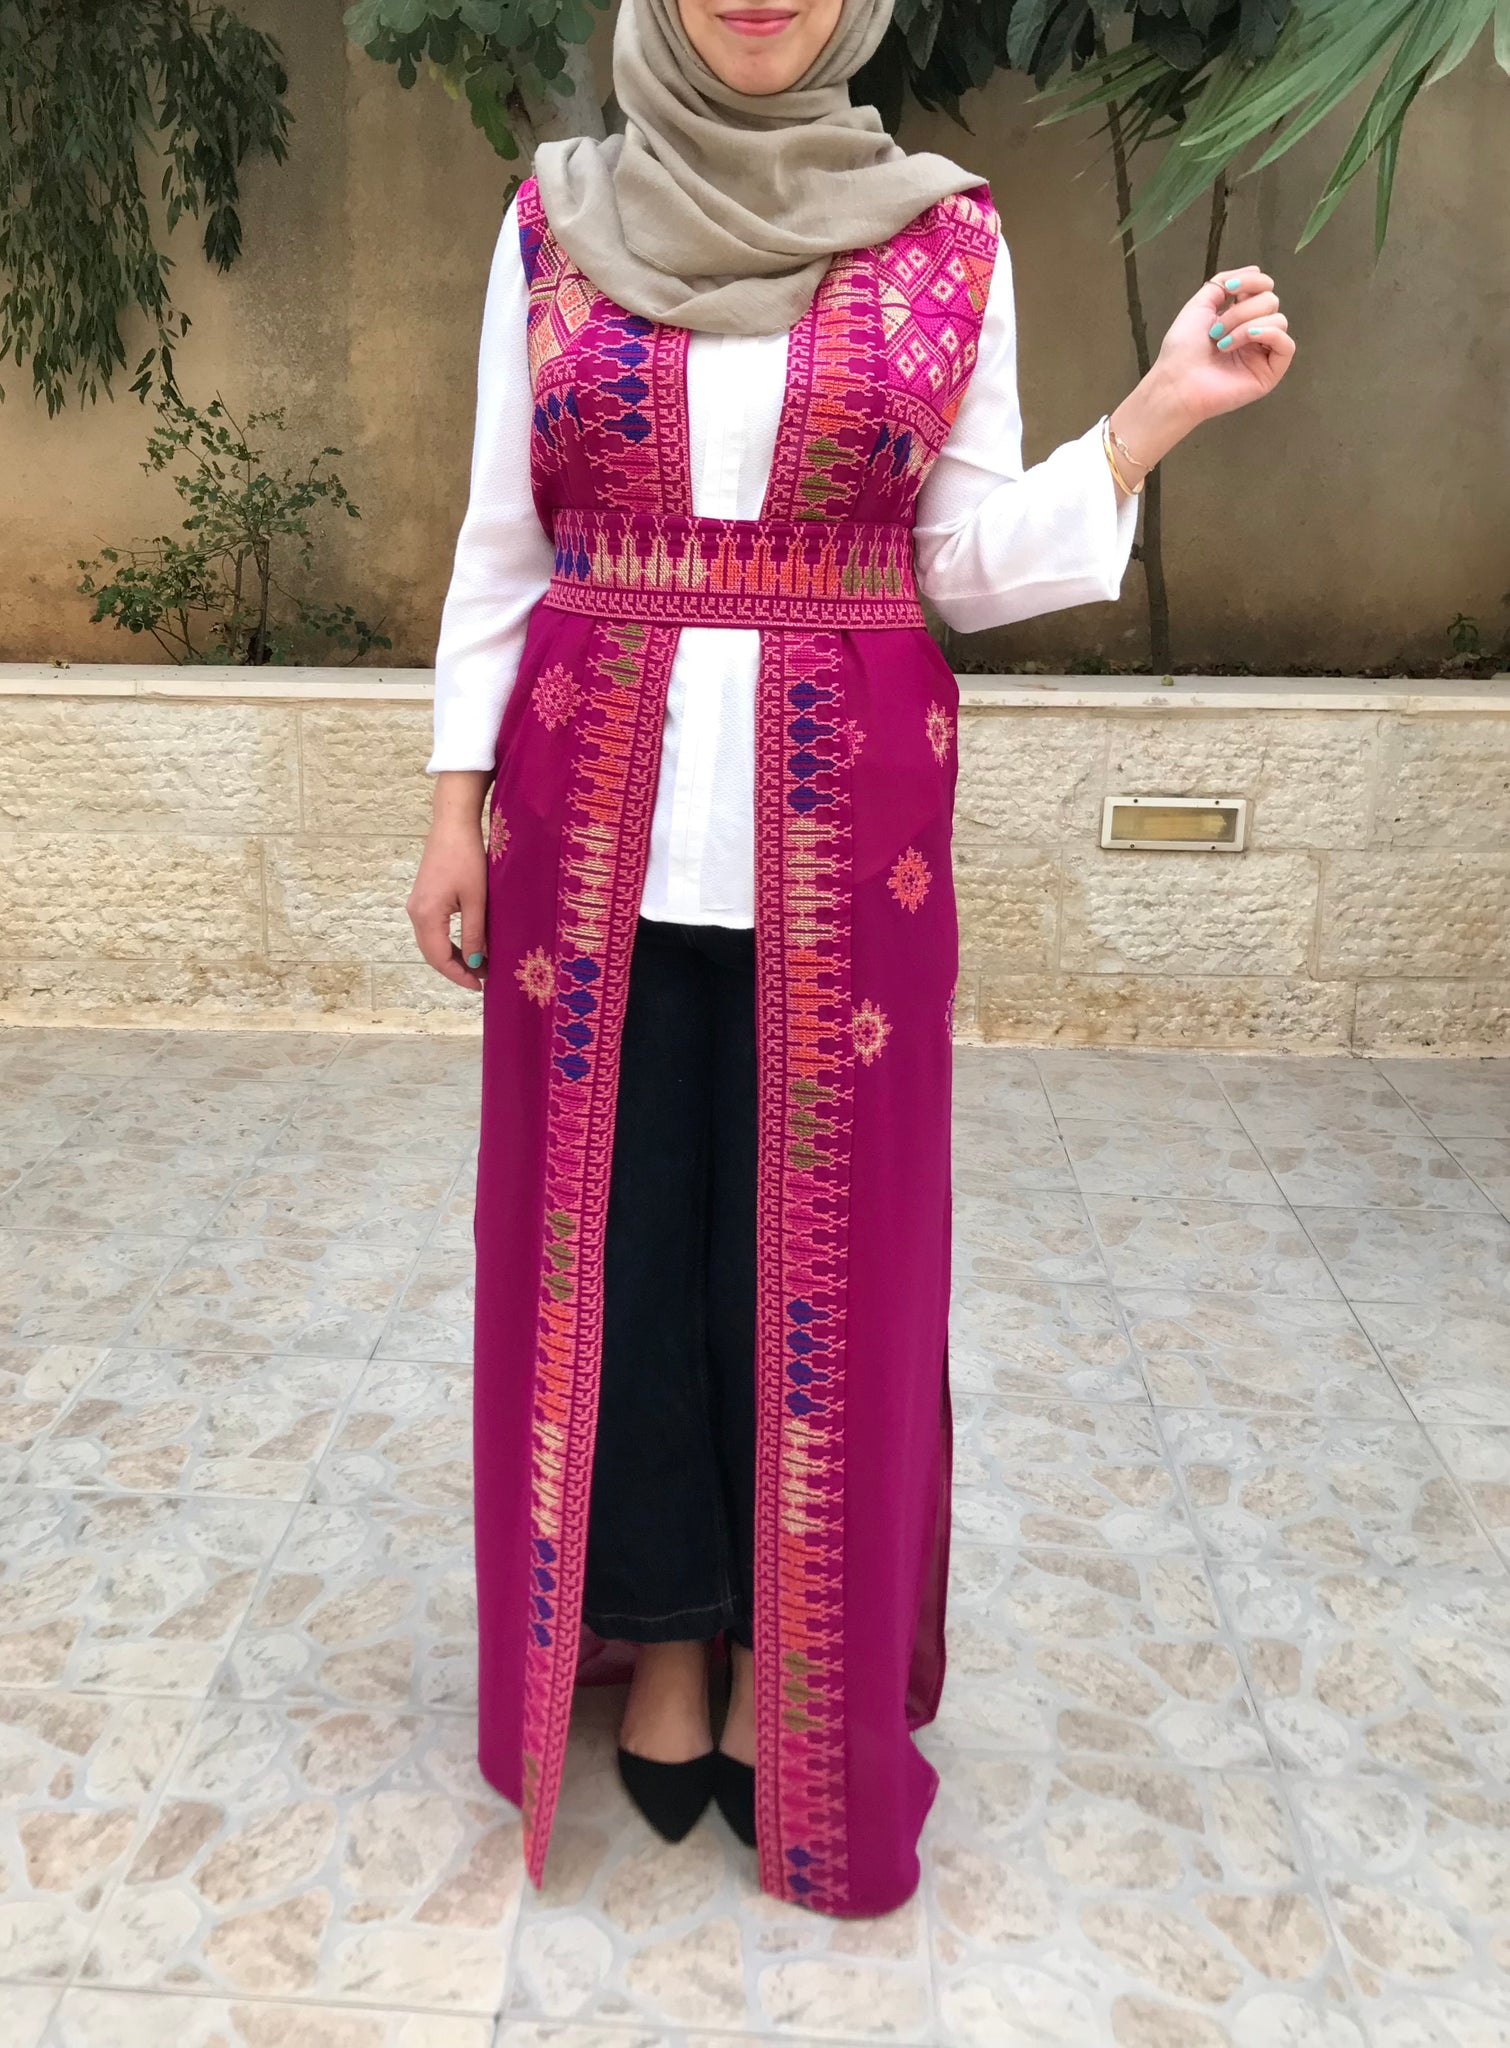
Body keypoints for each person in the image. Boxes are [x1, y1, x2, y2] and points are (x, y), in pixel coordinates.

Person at [408, 0, 1294, 1919]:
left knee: (816, 1262)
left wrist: (1150, 419)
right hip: (589, 828)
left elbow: (955, 558)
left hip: (844, 844)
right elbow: (503, 537)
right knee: (620, 1257)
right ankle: (663, 1642)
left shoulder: (939, 234)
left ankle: (787, 1664)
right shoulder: (554, 220)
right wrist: (450, 802)